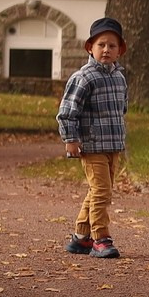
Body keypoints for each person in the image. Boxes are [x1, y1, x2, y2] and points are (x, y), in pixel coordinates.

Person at [59, 16, 131, 260]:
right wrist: (71, 139)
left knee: (98, 190)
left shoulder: (119, 77)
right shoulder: (84, 77)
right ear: (90, 47)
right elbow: (68, 111)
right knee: (102, 191)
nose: (106, 50)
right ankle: (100, 238)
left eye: (112, 46)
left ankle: (81, 236)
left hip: (113, 145)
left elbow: (122, 109)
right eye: (101, 45)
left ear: (120, 50)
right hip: (91, 145)